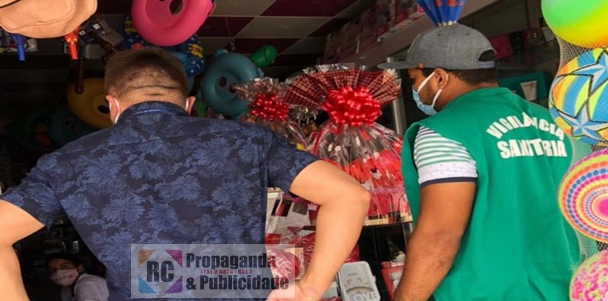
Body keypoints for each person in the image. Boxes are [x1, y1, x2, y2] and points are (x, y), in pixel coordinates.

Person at [0, 48, 370, 301]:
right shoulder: (248, 141)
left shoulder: (67, 163)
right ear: (190, 104)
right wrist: (309, 289)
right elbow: (349, 196)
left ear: (112, 105)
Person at [378, 24, 582, 301]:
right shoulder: (553, 121)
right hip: (567, 284)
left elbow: (440, 235)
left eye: (414, 79)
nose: (415, 90)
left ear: (438, 77)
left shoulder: (444, 131)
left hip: (486, 291)